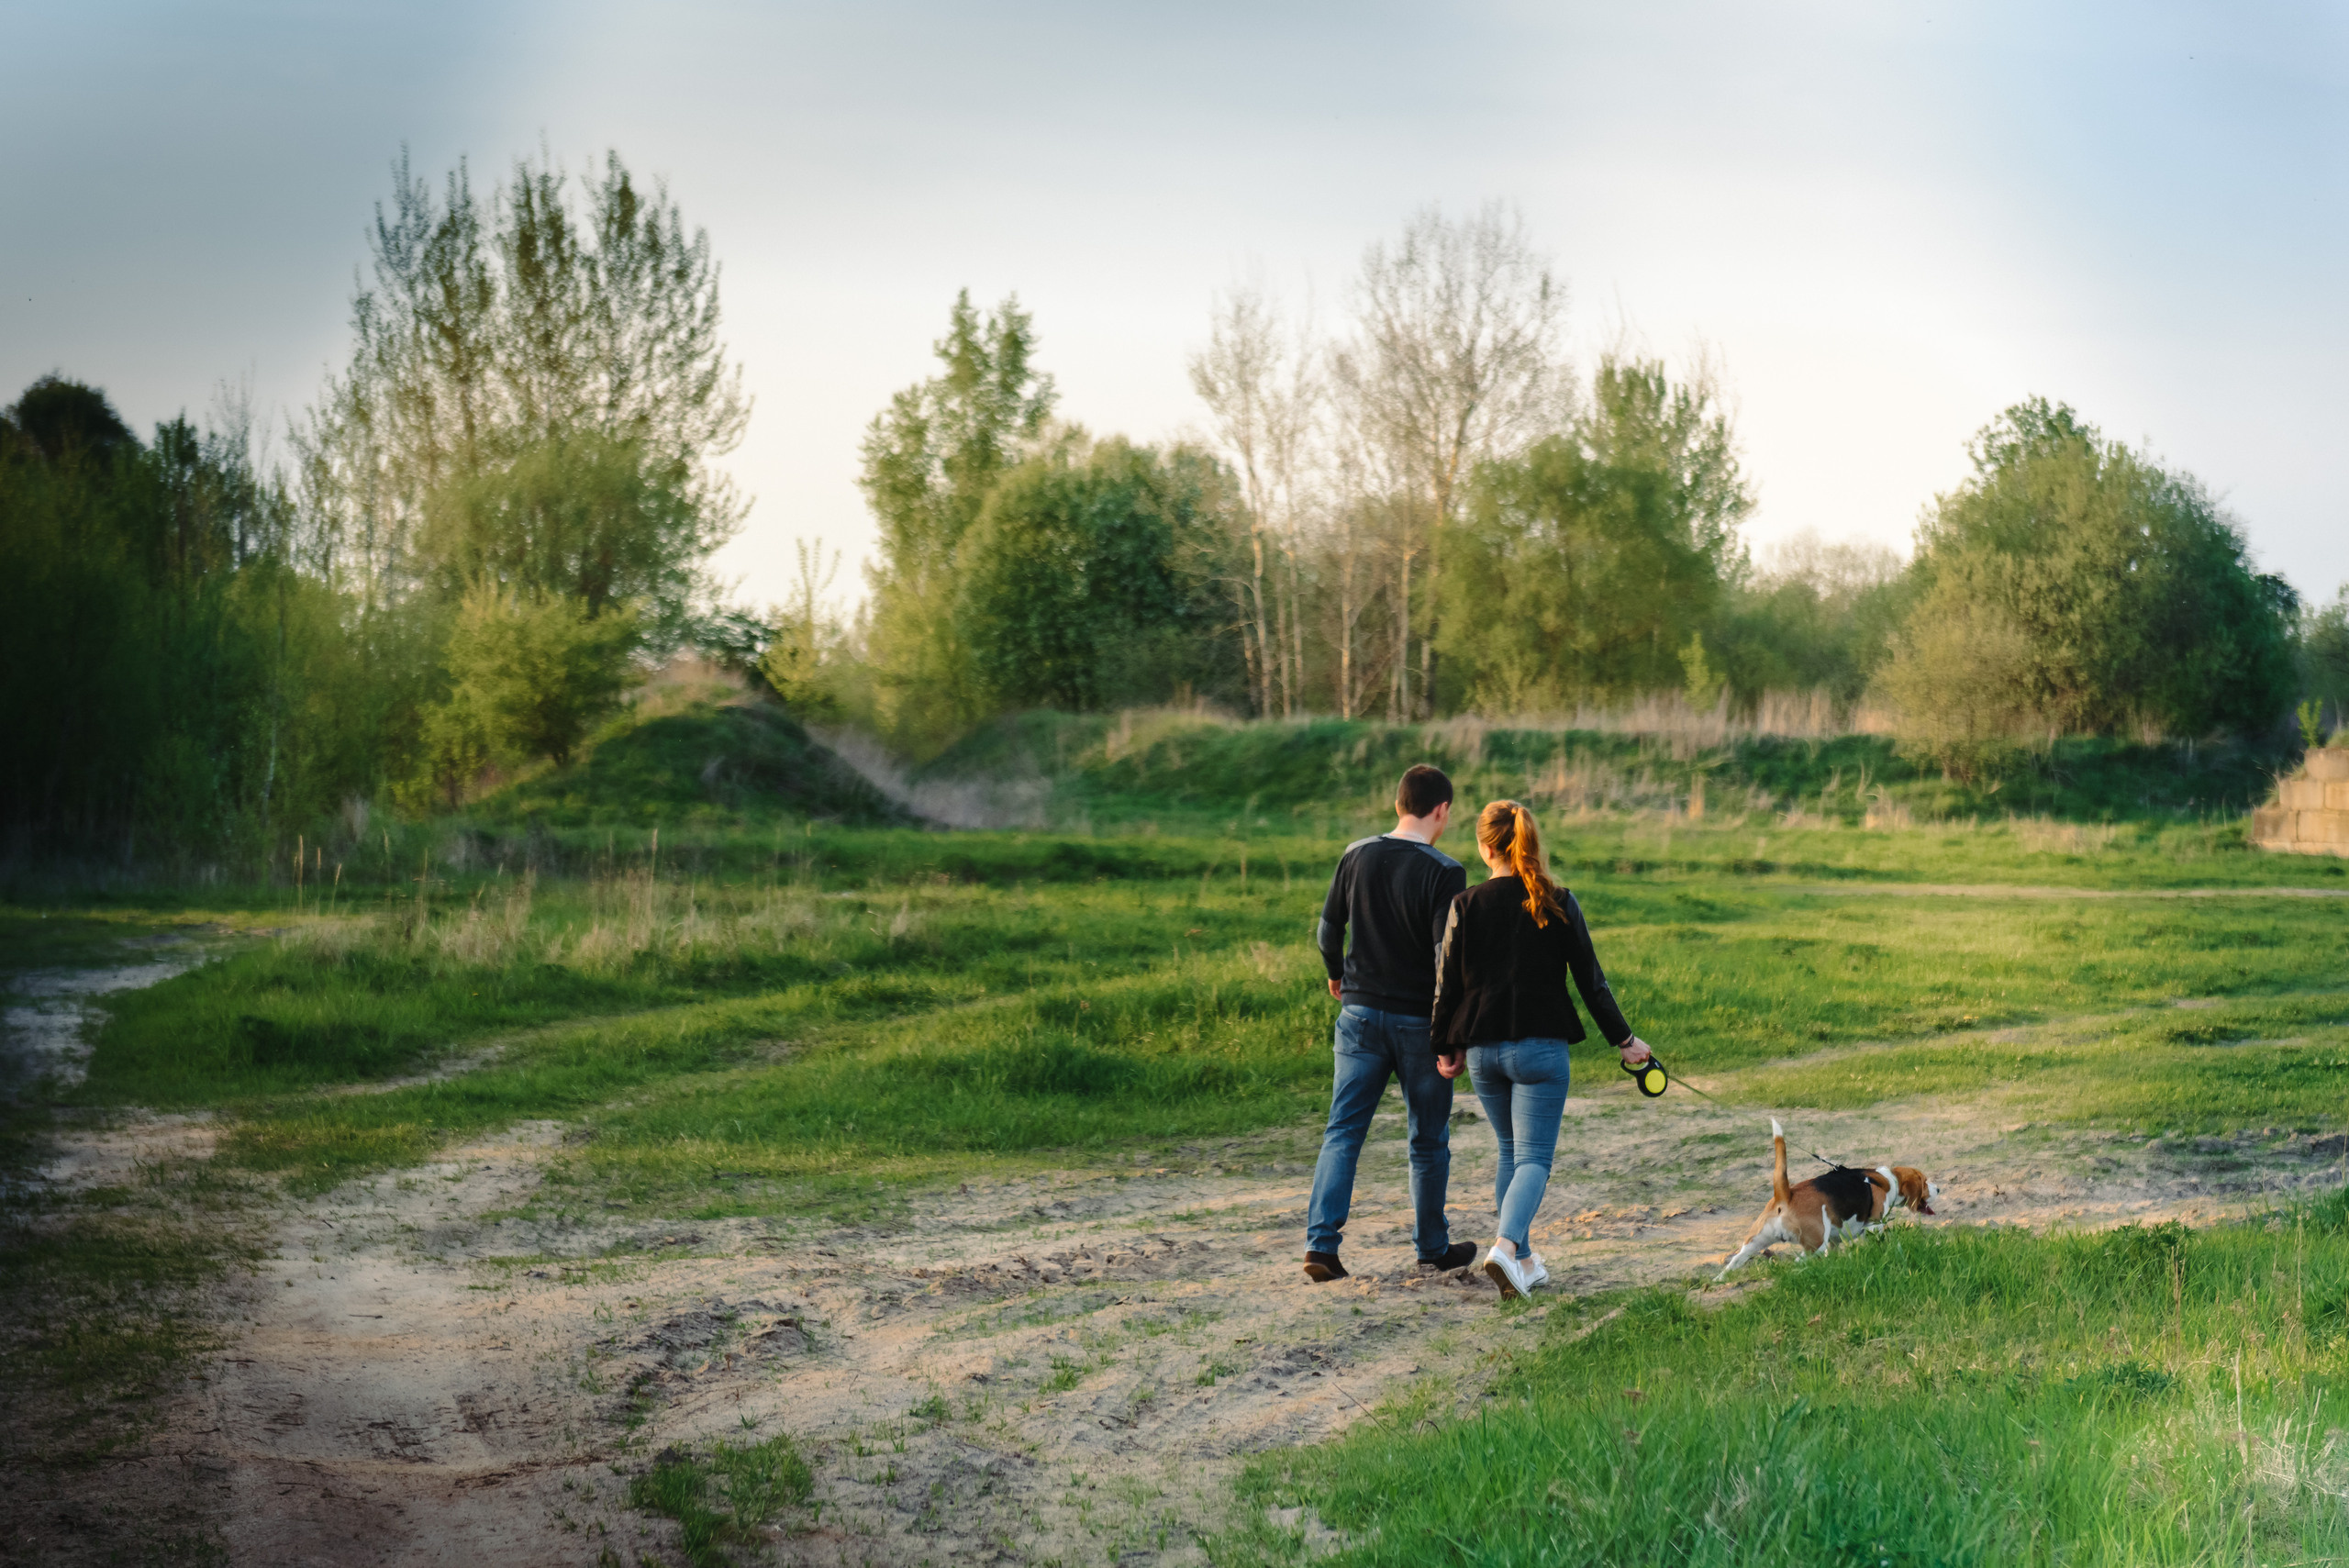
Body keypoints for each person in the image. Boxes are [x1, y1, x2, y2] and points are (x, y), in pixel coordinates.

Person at [1431, 800, 1653, 1301]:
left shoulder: (1464, 904)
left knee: (1510, 1152)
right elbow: (1591, 983)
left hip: (1484, 1053)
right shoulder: (1557, 900)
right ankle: (1506, 1248)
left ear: (1487, 849)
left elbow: (1446, 986)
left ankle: (1524, 1262)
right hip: (1540, 1053)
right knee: (1533, 1157)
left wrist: (1444, 1045)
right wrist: (1625, 1041)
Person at [1302, 764, 1479, 1282]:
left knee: (1343, 1131)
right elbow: (1445, 957)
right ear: (1441, 810)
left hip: (1357, 1015)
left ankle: (1321, 1247)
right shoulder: (1446, 871)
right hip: (1416, 1023)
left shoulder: (1355, 854)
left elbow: (1327, 929)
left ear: (1399, 802)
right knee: (1427, 1138)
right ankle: (1432, 1247)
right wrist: (1451, 1035)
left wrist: (1337, 975)